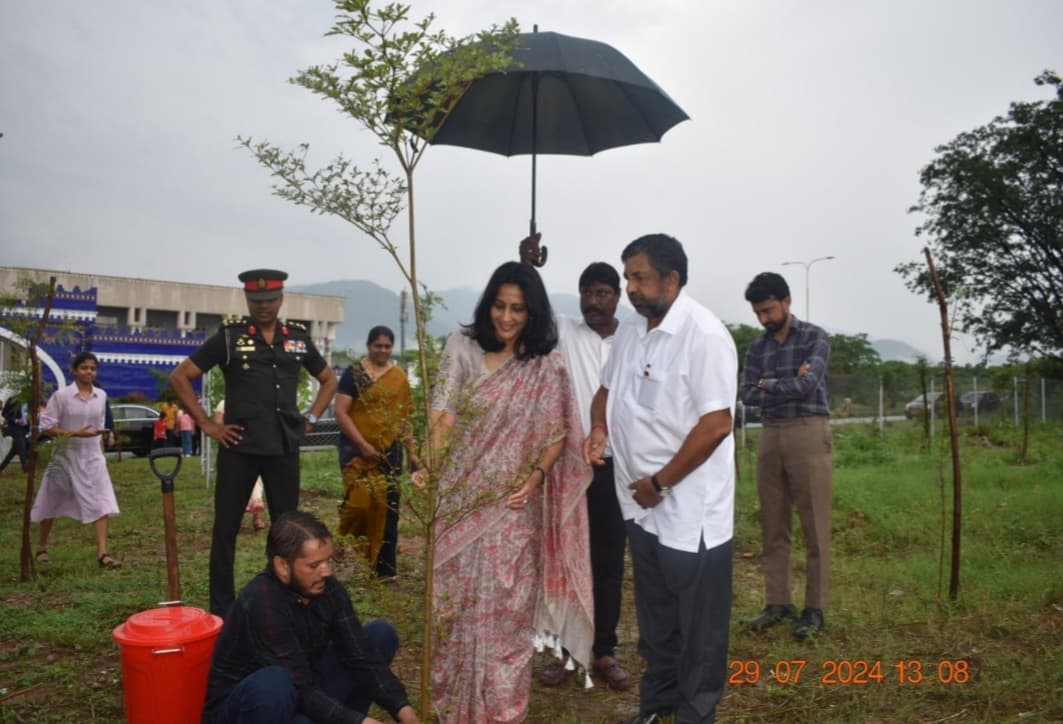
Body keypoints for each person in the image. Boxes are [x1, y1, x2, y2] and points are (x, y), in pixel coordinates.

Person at [422, 261, 594, 723]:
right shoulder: (462, 345)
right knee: (451, 613)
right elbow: (443, 414)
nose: (506, 317)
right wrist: (430, 467)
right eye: (499, 305)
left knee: (506, 616)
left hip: (513, 509)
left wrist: (535, 478)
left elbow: (558, 434)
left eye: (518, 308)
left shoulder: (543, 363)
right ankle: (452, 708)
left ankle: (502, 712)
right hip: (459, 502)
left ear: (533, 312)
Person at [583, 234, 737, 724]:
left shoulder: (704, 335)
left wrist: (660, 483)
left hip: (689, 513)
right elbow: (606, 390)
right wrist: (598, 429)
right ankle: (657, 707)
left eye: (639, 277)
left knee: (700, 631)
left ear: (672, 279)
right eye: (627, 277)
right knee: (656, 623)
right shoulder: (631, 329)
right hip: (639, 507)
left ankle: (695, 715)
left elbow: (716, 424)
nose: (629, 288)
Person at [169, 269, 338, 616]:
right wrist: (205, 424)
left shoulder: (297, 339)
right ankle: (222, 608)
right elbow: (180, 376)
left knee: (289, 532)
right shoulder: (230, 338)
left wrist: (311, 419)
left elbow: (328, 380)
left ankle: (283, 599)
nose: (264, 306)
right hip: (239, 449)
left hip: (283, 449)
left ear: (281, 298)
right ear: (247, 300)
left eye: (271, 300)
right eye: (257, 301)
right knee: (226, 529)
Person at [519, 233, 632, 691]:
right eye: (587, 292)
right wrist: (526, 266)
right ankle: (568, 654)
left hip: (617, 470)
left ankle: (603, 650)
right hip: (570, 473)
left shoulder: (635, 338)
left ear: (617, 297)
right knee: (567, 561)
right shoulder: (565, 331)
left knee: (607, 563)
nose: (593, 301)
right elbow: (529, 313)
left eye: (602, 293)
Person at [202, 510, 420, 724]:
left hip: (301, 686)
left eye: (328, 561)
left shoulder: (327, 589)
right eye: (314, 565)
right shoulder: (262, 601)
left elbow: (360, 655)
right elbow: (298, 687)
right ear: (282, 566)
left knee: (380, 635)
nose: (326, 571)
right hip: (250, 707)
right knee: (275, 683)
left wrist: (402, 708)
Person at [740, 271, 832, 641]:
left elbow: (809, 384)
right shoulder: (756, 348)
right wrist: (781, 386)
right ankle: (778, 602)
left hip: (807, 431)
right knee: (773, 523)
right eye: (758, 313)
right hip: (771, 434)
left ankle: (815, 609)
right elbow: (747, 393)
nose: (764, 319)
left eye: (769, 309)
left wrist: (769, 384)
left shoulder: (815, 338)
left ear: (787, 301)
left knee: (814, 525)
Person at [335, 325, 418, 578]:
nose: (382, 350)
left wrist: (412, 452)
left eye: (387, 346)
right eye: (377, 346)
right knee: (359, 506)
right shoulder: (355, 374)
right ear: (369, 346)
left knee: (389, 509)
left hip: (389, 452)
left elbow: (404, 418)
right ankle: (344, 544)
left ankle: (385, 569)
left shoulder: (399, 377)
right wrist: (363, 445)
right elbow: (341, 412)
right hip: (356, 451)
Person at [30, 352, 122, 568]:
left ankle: (103, 553)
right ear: (74, 370)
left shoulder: (101, 395)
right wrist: (74, 434)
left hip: (92, 458)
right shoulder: (62, 396)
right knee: (51, 499)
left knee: (103, 501)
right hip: (65, 456)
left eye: (92, 368)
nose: (88, 372)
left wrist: (101, 452)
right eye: (84, 368)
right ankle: (41, 547)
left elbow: (98, 427)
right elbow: (47, 426)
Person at [0, 395, 30, 474]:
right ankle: (26, 470)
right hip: (15, 428)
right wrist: (16, 420)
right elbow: (4, 413)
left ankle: (1, 467)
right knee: (22, 447)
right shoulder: (13, 399)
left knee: (14, 450)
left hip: (25, 429)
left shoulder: (31, 400)